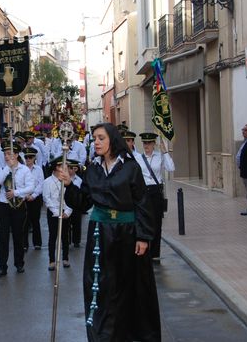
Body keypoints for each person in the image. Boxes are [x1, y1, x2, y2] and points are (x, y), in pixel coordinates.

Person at [65, 123, 160, 341]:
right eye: (94, 138)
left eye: (101, 138)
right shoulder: (93, 169)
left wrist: (143, 236)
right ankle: (104, 335)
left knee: (130, 286)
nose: (96, 142)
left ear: (112, 140)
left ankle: (132, 335)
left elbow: (142, 203)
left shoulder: (130, 167)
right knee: (103, 286)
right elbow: (84, 202)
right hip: (100, 234)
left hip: (128, 234)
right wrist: (70, 185)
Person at [0, 142, 34, 277]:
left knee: (18, 236)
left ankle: (19, 263)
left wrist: (16, 193)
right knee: (3, 237)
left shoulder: (24, 170)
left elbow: (30, 187)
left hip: (18, 205)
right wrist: (7, 168)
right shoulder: (1, 168)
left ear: (16, 155)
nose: (7, 157)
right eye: (5, 154)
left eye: (10, 154)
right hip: (4, 205)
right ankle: (2, 267)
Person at [134, 132, 175, 260]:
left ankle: (155, 253)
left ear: (154, 144)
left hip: (156, 191)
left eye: (149, 143)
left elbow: (171, 168)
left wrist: (165, 152)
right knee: (144, 220)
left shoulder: (159, 156)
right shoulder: (138, 158)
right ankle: (144, 250)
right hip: (143, 191)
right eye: (144, 143)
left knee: (156, 222)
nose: (146, 145)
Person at [42, 157, 73, 271]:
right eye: (62, 167)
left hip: (65, 213)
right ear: (56, 168)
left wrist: (68, 211)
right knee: (53, 236)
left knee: (65, 236)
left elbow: (71, 198)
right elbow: (46, 198)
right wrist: (56, 212)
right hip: (53, 213)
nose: (65, 169)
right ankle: (51, 260)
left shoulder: (67, 181)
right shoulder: (48, 182)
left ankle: (65, 258)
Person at [22, 147, 44, 251]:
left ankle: (37, 243)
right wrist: (25, 195)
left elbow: (40, 184)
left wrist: (33, 195)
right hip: (24, 198)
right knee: (24, 222)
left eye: (30, 157)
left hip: (35, 198)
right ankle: (24, 244)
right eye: (26, 157)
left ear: (34, 158)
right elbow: (19, 184)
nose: (28, 159)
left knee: (35, 221)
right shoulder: (21, 169)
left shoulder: (38, 169)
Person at [67, 159, 84, 248]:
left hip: (76, 205)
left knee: (76, 223)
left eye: (70, 168)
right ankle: (67, 240)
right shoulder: (64, 179)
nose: (68, 169)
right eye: (68, 167)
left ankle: (76, 241)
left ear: (75, 169)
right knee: (67, 224)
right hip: (67, 204)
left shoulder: (79, 180)